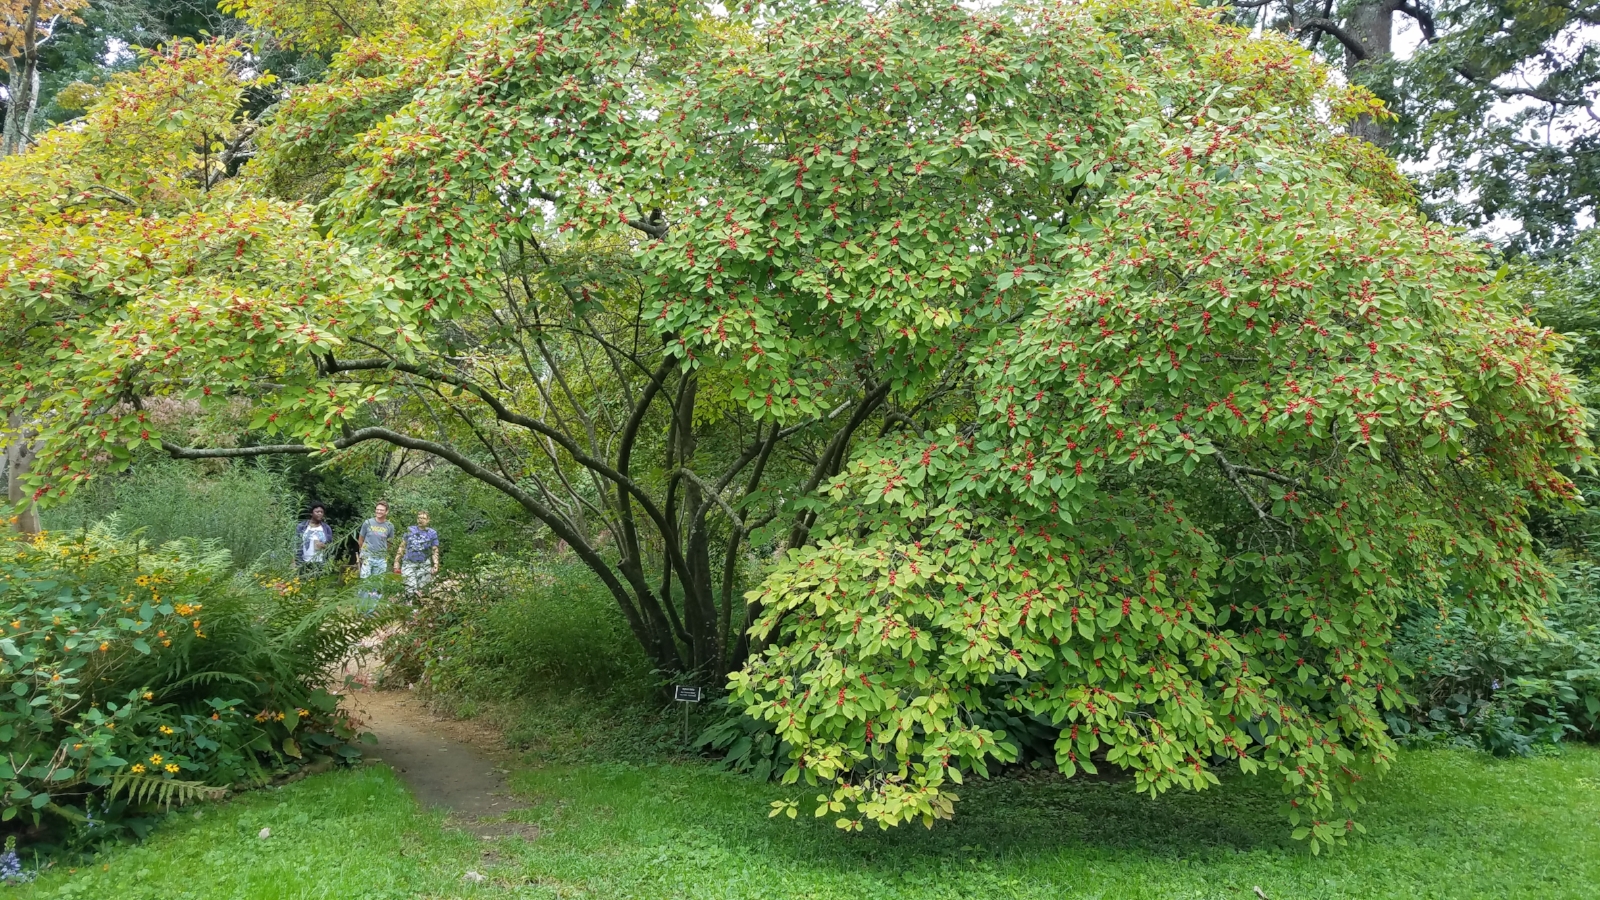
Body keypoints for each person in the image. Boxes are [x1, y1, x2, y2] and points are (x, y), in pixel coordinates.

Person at [355, 501, 396, 606]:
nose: (379, 511)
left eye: (381, 510)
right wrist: (363, 552)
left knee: (377, 584)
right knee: (365, 582)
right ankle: (362, 608)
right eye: (377, 509)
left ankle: (371, 609)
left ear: (386, 512)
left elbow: (390, 542)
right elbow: (361, 539)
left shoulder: (390, 526)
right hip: (367, 557)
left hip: (381, 559)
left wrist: (383, 551)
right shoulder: (367, 523)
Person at [395, 510, 439, 592]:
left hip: (424, 564)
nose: (420, 520)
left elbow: (434, 550)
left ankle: (418, 604)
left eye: (423, 518)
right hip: (408, 563)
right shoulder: (410, 530)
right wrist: (397, 561)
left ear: (428, 520)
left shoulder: (432, 533)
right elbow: (402, 546)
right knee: (409, 589)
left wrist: (436, 564)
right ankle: (408, 604)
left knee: (423, 591)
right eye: (419, 518)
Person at [295, 503, 333, 572]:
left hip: (321, 562)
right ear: (311, 513)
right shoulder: (302, 526)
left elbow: (331, 545)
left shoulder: (326, 528)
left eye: (321, 512)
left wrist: (325, 546)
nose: (320, 514)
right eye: (317, 512)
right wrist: (295, 561)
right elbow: (296, 544)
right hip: (304, 561)